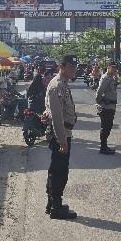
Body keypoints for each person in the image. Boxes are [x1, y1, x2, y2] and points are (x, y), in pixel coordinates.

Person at [44, 55, 78, 220]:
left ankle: (52, 203)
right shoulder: (57, 85)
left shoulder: (62, 84)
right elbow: (57, 117)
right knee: (60, 172)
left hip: (63, 133)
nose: (74, 70)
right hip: (61, 134)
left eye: (75, 67)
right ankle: (56, 208)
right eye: (71, 67)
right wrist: (62, 141)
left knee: (56, 170)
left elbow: (51, 109)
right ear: (62, 66)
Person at [95, 63, 118, 155]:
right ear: (108, 68)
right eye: (113, 68)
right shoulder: (106, 78)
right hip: (106, 107)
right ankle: (103, 147)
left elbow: (111, 90)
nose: (115, 70)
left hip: (110, 107)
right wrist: (99, 102)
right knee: (105, 127)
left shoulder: (111, 78)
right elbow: (99, 91)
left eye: (115, 68)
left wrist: (116, 81)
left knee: (108, 127)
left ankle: (104, 146)